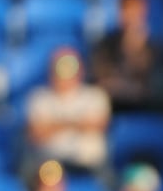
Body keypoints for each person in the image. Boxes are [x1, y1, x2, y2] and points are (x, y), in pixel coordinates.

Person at [25, 46, 112, 175]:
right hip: (49, 168)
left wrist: (54, 124)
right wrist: (78, 123)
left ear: (80, 70)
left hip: (89, 165)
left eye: (70, 67)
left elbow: (98, 125)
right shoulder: (39, 98)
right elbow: (36, 133)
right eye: (60, 67)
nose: (64, 74)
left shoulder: (95, 96)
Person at [89, 0, 163, 112]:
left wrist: (134, 49)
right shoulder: (105, 45)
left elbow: (151, 87)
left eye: (135, 10)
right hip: (112, 107)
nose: (130, 16)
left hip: (146, 109)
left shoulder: (154, 47)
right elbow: (100, 79)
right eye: (126, 9)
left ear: (144, 12)